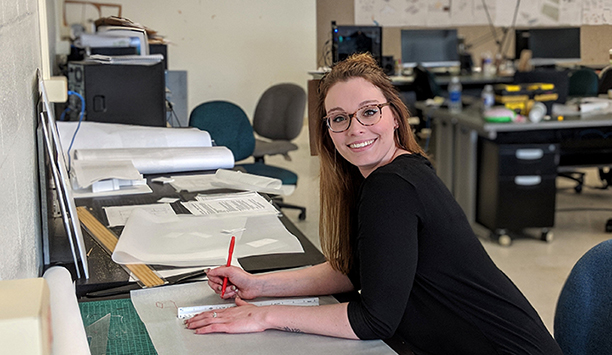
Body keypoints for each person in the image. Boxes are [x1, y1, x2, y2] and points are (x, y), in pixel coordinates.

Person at [185, 53, 563, 354]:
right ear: (328, 133)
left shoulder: (393, 187)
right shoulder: (392, 174)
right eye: (339, 119)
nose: (355, 129)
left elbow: (373, 321)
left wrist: (263, 316)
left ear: (395, 116)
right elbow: (355, 272)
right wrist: (257, 286)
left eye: (369, 111)